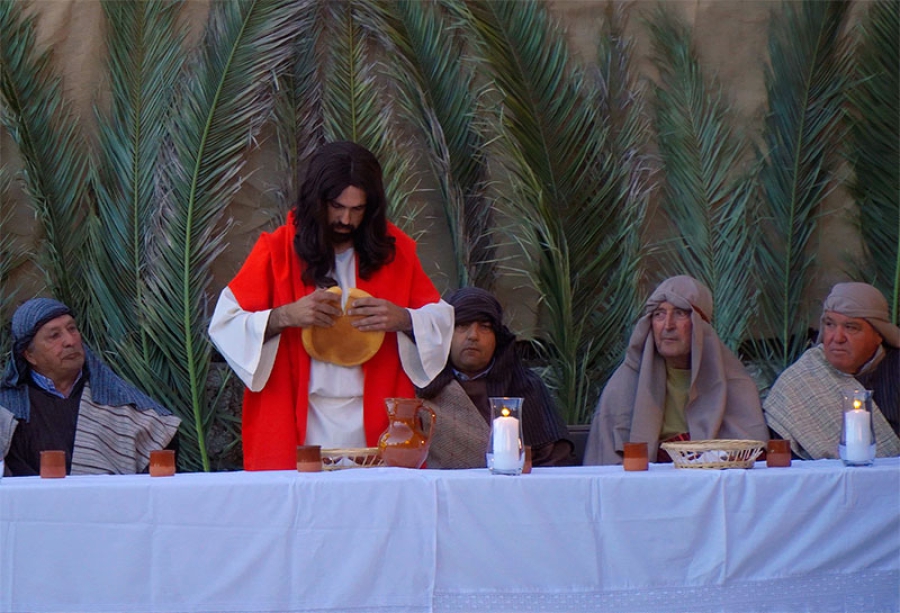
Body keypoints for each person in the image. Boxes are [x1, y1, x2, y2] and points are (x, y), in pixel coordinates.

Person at [209, 141, 453, 470]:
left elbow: (441, 318)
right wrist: (284, 316)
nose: (345, 219)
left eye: (357, 209)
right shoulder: (277, 251)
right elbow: (224, 322)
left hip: (378, 424)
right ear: (316, 201)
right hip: (295, 419)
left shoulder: (395, 254)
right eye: (337, 207)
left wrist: (404, 318)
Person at [583, 275, 768, 465]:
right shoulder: (624, 383)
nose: (668, 325)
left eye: (680, 313)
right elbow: (606, 463)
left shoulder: (736, 384)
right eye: (659, 314)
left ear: (701, 326)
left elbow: (752, 453)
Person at [0, 298, 180, 476]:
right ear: (30, 355)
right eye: (54, 335)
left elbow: (159, 451)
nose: (70, 341)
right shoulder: (7, 411)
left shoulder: (120, 403)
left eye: (72, 329)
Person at [416, 287, 576, 468]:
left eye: (484, 327)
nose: (473, 336)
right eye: (461, 325)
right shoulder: (425, 387)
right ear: (445, 335)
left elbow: (556, 462)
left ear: (497, 338)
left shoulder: (525, 386)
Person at [764, 282, 900, 460]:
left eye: (851, 327)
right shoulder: (799, 379)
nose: (837, 338)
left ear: (878, 334)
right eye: (830, 324)